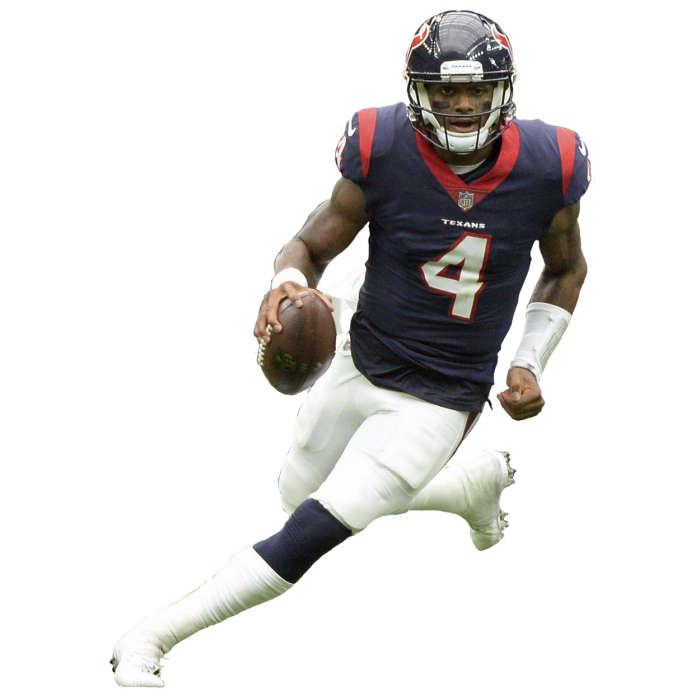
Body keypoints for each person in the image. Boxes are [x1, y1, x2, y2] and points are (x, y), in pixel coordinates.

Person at [111, 10, 590, 688]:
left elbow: (566, 270)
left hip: (443, 394)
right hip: (362, 358)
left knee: (309, 532)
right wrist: (289, 285)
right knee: (297, 495)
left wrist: (529, 361)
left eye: (477, 90)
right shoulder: (383, 145)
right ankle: (466, 487)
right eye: (445, 90)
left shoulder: (550, 165)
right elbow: (312, 245)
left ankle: (150, 636)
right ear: (416, 92)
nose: (462, 105)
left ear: (504, 90)